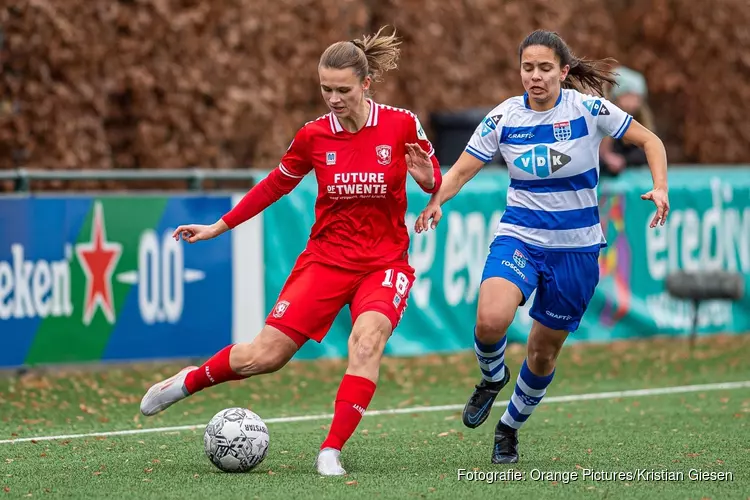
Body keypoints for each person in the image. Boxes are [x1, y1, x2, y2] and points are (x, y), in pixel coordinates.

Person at [139, 26, 442, 476]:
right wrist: (219, 226)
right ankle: (189, 380)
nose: (333, 99)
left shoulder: (401, 123)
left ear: (366, 84)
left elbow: (434, 179)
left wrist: (428, 184)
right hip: (325, 260)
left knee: (367, 341)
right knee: (265, 356)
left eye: (342, 89)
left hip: (384, 263)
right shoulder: (314, 136)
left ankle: (330, 450)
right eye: (325, 89)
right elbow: (274, 185)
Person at [414, 29, 669, 464]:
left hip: (577, 251)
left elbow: (650, 140)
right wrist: (437, 200)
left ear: (563, 72)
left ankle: (509, 427)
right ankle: (492, 378)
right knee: (490, 321)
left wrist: (660, 187)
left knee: (543, 351)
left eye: (545, 68)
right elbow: (460, 171)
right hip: (520, 237)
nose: (535, 76)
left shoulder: (588, 109)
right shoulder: (504, 118)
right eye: (528, 68)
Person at [599, 66, 656, 176]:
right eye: (629, 96)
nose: (634, 103)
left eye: (637, 98)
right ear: (617, 96)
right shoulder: (605, 119)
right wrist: (607, 159)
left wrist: (623, 160)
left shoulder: (641, 120)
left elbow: (647, 152)